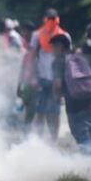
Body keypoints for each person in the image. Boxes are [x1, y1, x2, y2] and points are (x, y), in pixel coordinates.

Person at [51, 32, 91, 152]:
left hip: (74, 103)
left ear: (60, 46)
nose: (52, 50)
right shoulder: (84, 57)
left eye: (53, 46)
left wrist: (56, 98)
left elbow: (57, 84)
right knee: (89, 131)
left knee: (80, 134)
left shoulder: (59, 61)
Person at [29, 8, 68, 141]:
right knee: (40, 111)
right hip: (41, 77)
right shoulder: (37, 35)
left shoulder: (64, 36)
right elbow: (32, 56)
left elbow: (66, 59)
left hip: (57, 79)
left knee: (55, 112)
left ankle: (53, 140)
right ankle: (38, 140)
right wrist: (32, 76)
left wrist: (63, 79)